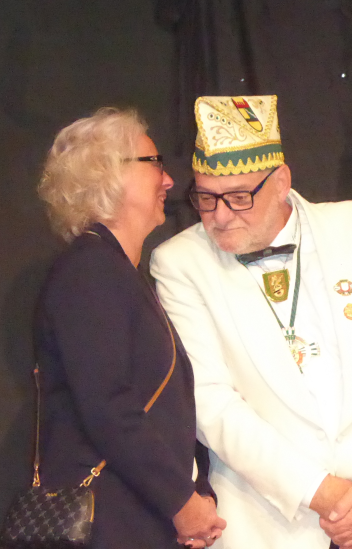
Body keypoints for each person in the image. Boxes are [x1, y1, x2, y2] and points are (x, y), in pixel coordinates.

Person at [151, 96, 352, 549]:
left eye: (239, 197)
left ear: (281, 182)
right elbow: (209, 401)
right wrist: (325, 495)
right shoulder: (180, 263)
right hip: (270, 529)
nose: (220, 216)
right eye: (206, 198)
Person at [33, 108, 226, 548]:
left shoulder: (116, 273)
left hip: (135, 522)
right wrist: (181, 502)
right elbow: (107, 406)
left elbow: (163, 410)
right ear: (109, 173)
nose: (169, 181)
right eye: (155, 163)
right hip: (111, 527)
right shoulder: (90, 272)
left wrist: (197, 492)